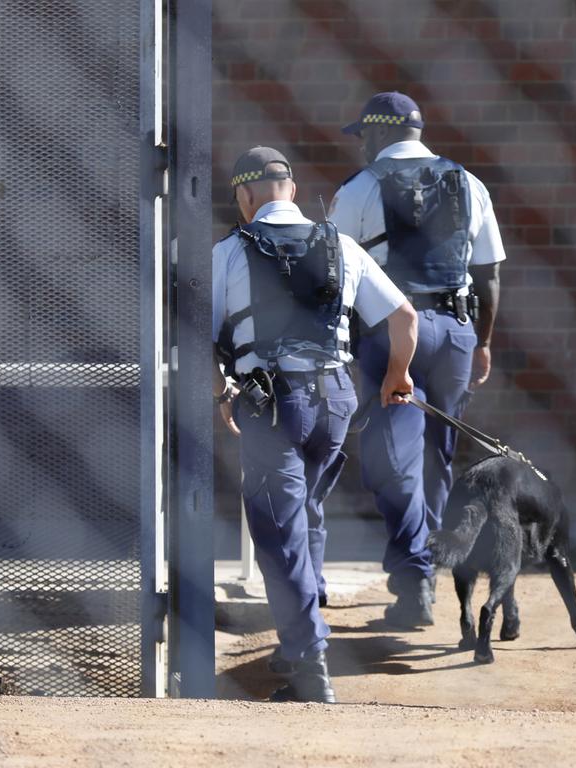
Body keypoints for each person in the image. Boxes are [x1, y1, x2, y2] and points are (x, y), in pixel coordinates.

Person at [212, 146, 417, 703]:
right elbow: (404, 316)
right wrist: (397, 377)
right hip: (335, 400)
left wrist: (221, 391)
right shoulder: (342, 246)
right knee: (304, 513)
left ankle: (310, 665)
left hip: (271, 407)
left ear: (246, 196)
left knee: (278, 535)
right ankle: (301, 633)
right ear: (293, 191)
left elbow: (199, 335)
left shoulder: (229, 251)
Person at [329, 92, 506, 627]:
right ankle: (427, 570)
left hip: (391, 334)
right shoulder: (468, 183)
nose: (360, 145)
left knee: (394, 458)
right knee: (437, 456)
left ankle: (414, 580)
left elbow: (333, 276)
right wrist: (482, 341)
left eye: (363, 135)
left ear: (380, 135)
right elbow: (489, 273)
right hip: (455, 330)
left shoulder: (359, 190)